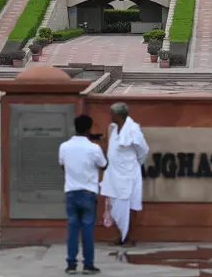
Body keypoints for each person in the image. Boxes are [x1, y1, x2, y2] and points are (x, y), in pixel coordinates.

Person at [59, 114, 107, 275]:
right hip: (88, 193)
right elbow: (104, 165)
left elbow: (62, 166)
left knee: (72, 229)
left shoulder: (64, 146)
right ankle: (88, 265)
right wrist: (101, 143)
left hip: (71, 193)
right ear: (89, 129)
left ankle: (71, 265)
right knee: (87, 230)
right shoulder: (94, 148)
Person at [100, 102, 149, 247]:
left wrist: (133, 165)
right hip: (114, 176)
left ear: (119, 115)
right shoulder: (114, 129)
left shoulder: (133, 130)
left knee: (132, 206)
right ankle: (120, 235)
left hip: (130, 175)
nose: (110, 116)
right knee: (115, 206)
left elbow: (144, 151)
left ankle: (130, 237)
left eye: (112, 114)